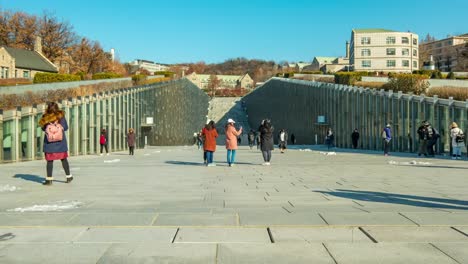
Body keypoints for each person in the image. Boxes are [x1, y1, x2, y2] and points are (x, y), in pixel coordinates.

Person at [38, 102, 72, 185]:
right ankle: (68, 177)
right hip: (61, 142)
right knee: (64, 160)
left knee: (49, 161)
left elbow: (43, 129)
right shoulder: (61, 116)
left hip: (49, 143)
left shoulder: (45, 117)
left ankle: (49, 180)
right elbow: (66, 128)